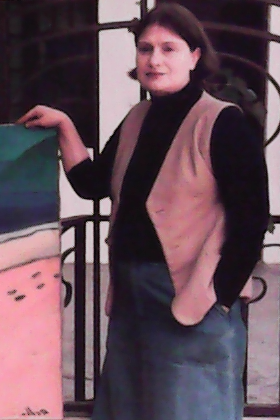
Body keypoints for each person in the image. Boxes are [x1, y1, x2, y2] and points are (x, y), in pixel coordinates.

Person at [17, 3, 270, 420]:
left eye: (169, 48)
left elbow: (252, 217)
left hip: (190, 296)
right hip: (132, 299)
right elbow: (93, 183)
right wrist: (65, 127)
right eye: (145, 48)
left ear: (194, 56)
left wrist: (217, 297)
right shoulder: (137, 117)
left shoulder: (223, 122)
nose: (154, 59)